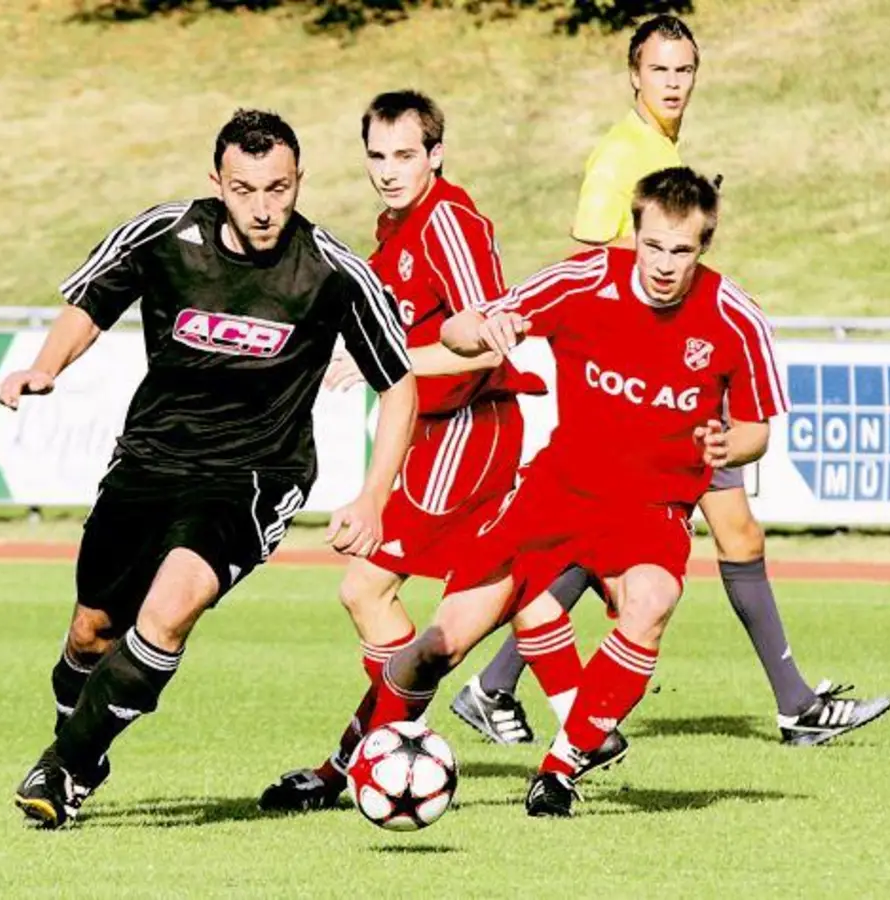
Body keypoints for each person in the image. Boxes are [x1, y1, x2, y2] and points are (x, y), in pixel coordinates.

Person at [456, 14, 890, 747]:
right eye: (659, 70)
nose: (672, 83)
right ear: (633, 74)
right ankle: (496, 683)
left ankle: (497, 683)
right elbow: (588, 270)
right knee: (635, 539)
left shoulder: (658, 147)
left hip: (679, 374)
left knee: (733, 528)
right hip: (646, 391)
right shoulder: (619, 157)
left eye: (683, 70)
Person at [4, 109, 418, 828]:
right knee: (91, 633)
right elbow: (91, 304)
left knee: (171, 609)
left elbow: (400, 383)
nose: (263, 208)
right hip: (150, 461)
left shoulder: (330, 270)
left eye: (278, 189)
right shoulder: (165, 235)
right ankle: (80, 743)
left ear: (299, 183)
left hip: (254, 476)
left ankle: (64, 771)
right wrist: (45, 367)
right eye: (246, 188)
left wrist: (374, 495)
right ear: (216, 183)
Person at [351, 168, 779, 818]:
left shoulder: (734, 318)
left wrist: (730, 444)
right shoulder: (582, 281)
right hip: (554, 497)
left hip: (651, 510)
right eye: (654, 245)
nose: (665, 264)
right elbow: (469, 331)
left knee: (653, 599)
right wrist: (474, 330)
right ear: (635, 234)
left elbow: (756, 429)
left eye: (682, 250)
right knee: (441, 644)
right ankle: (371, 755)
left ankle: (562, 766)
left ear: (704, 245)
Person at [258, 90, 626, 814]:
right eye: (376, 156)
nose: (389, 170)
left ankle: (370, 754)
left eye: (405, 155)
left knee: (369, 589)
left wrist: (382, 364)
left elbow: (487, 335)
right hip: (437, 431)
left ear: (435, 155)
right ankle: (576, 703)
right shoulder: (396, 225)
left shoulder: (448, 220)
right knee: (490, 582)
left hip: (469, 430)